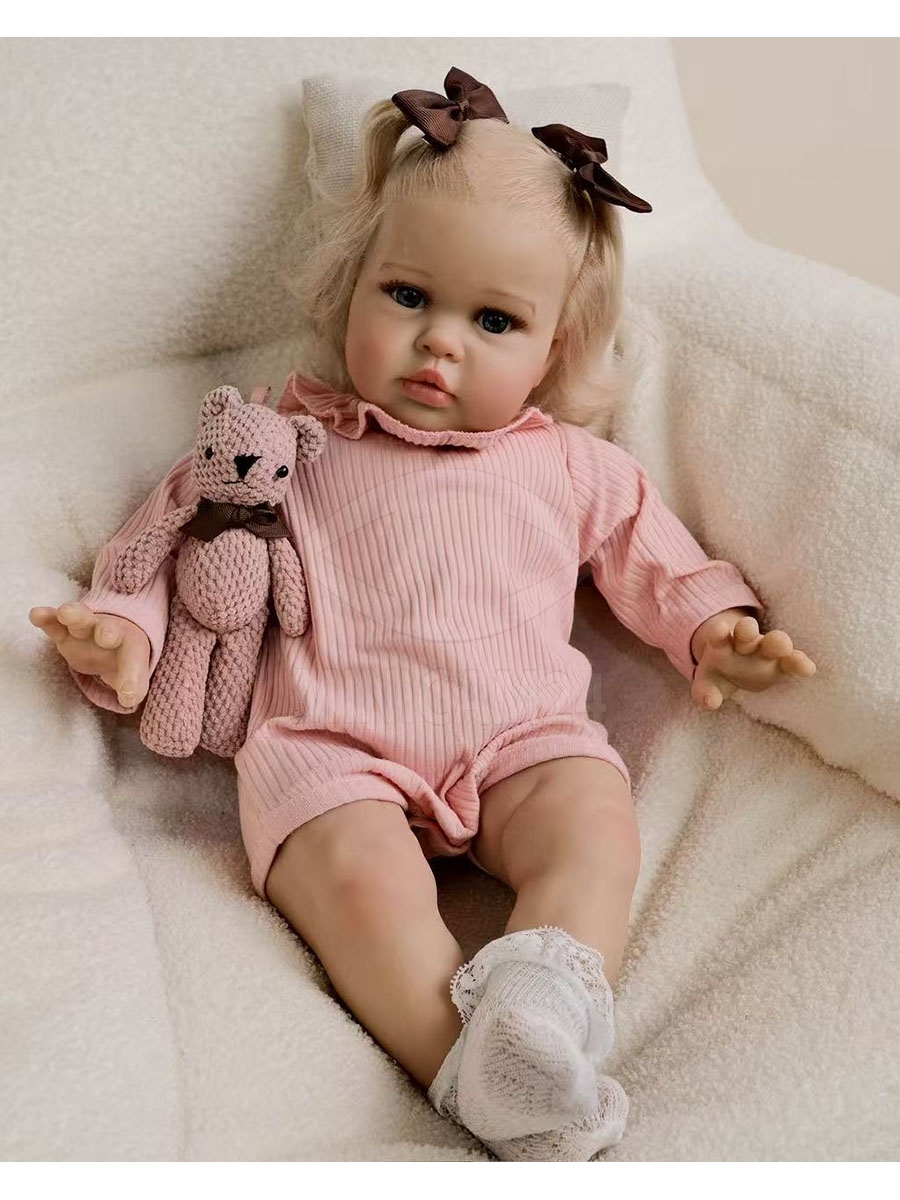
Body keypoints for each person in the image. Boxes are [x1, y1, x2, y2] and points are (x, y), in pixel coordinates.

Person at [27, 68, 817, 1161]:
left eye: (493, 320)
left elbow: (659, 556)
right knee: (358, 886)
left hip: (521, 740)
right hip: (330, 748)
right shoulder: (282, 438)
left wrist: (712, 627)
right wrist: (124, 630)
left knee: (594, 826)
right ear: (351, 286)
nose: (442, 343)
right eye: (407, 297)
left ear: (555, 348)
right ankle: (472, 1071)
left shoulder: (566, 464)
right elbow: (175, 537)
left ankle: (543, 1000)